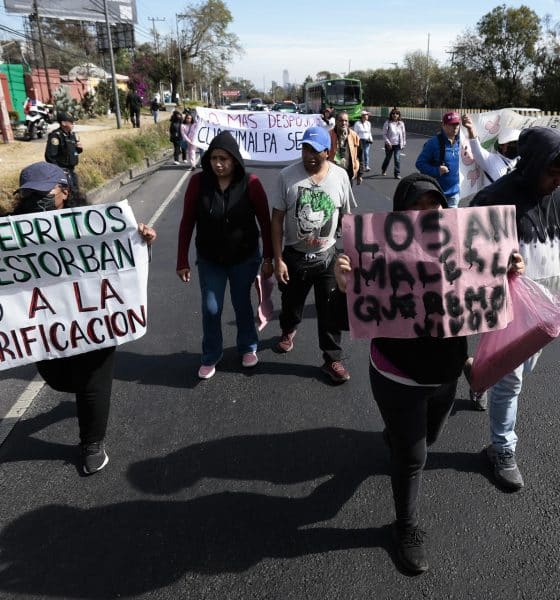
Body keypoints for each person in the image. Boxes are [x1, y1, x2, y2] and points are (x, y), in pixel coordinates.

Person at [333, 172, 525, 574]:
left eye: (433, 206)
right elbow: (346, 319)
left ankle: (398, 437)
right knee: (413, 456)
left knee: (430, 435)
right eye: (415, 208)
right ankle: (404, 527)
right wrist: (344, 286)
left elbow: (484, 298)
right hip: (396, 373)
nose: (426, 215)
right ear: (398, 217)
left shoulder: (458, 249)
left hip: (445, 375)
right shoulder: (378, 257)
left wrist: (506, 272)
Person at [9, 161, 156, 475]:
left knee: (92, 380)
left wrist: (140, 242)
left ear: (64, 190)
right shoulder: (10, 231)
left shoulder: (92, 224)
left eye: (43, 192)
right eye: (29, 194)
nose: (36, 199)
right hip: (48, 325)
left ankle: (91, 443)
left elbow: (121, 263)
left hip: (95, 320)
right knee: (58, 378)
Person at [470, 126, 560, 491]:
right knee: (512, 381)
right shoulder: (494, 198)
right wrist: (498, 263)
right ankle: (502, 448)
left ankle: (479, 374)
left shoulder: (558, 196)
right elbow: (465, 254)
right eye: (553, 172)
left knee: (522, 368)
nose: (557, 180)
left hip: (546, 309)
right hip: (507, 308)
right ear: (533, 164)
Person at [176, 131, 273, 379]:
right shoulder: (198, 183)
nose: (218, 164)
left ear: (235, 160)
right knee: (210, 308)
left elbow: (265, 221)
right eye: (214, 158)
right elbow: (187, 221)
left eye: (224, 159)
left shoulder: (251, 183)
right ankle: (211, 354)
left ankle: (248, 346)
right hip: (210, 260)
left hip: (244, 258)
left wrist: (269, 258)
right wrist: (182, 260)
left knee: (242, 305)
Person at [271, 125, 354, 384]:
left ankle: (332, 359)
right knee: (291, 305)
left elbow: (348, 218)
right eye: (305, 148)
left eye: (315, 150)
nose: (309, 155)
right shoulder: (286, 176)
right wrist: (277, 259)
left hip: (327, 256)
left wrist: (352, 255)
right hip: (294, 255)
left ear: (327, 152)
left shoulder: (340, 176)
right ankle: (288, 329)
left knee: (329, 311)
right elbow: (277, 220)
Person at [415, 111, 461, 207]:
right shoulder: (433, 143)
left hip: (454, 193)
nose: (455, 127)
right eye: (451, 124)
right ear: (443, 125)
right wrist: (437, 171)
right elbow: (420, 163)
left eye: (457, 124)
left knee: (451, 221)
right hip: (436, 193)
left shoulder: (462, 142)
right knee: (436, 221)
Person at [461, 114, 520, 185]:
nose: (515, 146)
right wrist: (470, 129)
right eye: (512, 144)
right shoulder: (492, 160)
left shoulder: (520, 161)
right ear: (501, 145)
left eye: (517, 144)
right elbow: (476, 149)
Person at [45, 111, 82, 191]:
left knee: (75, 192)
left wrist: (79, 148)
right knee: (68, 194)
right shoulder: (56, 136)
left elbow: (72, 151)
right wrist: (60, 171)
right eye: (71, 122)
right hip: (63, 172)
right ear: (63, 123)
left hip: (71, 170)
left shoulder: (71, 134)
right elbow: (50, 156)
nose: (73, 124)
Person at [328, 111, 362, 186]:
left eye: (345, 121)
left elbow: (359, 156)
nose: (343, 123)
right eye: (341, 120)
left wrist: (359, 174)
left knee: (347, 196)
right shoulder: (328, 135)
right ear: (336, 122)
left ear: (348, 122)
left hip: (348, 173)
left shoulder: (354, 135)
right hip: (333, 173)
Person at [381, 107, 406, 179]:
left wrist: (403, 143)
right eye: (393, 113)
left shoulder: (401, 123)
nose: (395, 115)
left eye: (397, 113)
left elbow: (403, 134)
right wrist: (388, 143)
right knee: (388, 159)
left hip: (397, 144)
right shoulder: (387, 123)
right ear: (391, 114)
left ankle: (397, 173)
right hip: (389, 145)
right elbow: (384, 134)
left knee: (397, 159)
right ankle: (384, 169)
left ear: (399, 115)